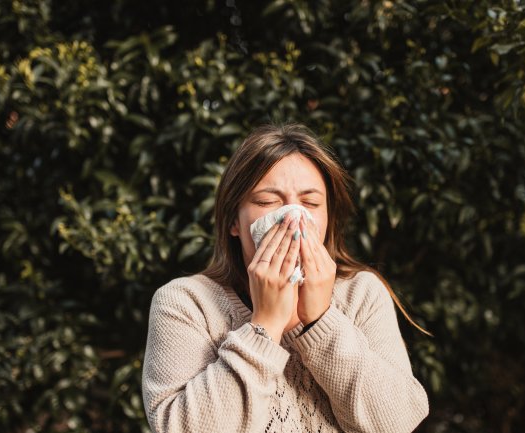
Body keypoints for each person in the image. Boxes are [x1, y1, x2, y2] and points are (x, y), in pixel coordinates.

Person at [142, 123, 429, 432]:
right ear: (232, 221)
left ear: (328, 217)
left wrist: (320, 321)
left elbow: (397, 422)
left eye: (310, 203)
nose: (293, 218)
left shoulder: (361, 293)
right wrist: (264, 326)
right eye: (267, 201)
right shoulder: (185, 303)